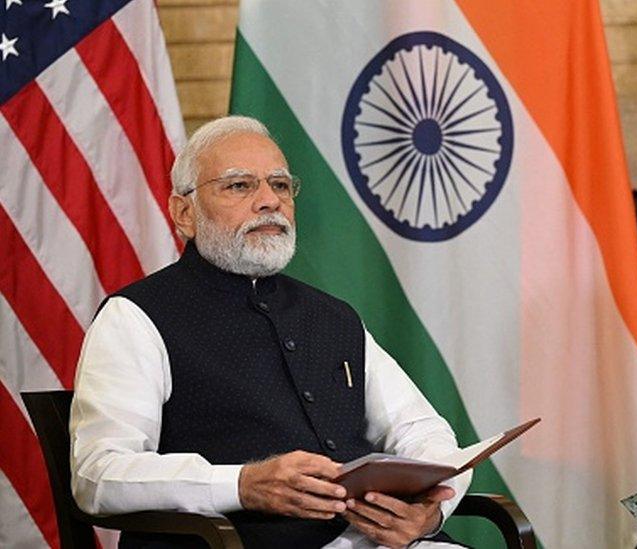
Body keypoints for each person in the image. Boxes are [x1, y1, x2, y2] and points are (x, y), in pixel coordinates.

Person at [69, 116, 471, 549]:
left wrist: (429, 511)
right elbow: (100, 473)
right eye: (239, 185)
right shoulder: (135, 317)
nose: (269, 201)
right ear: (184, 213)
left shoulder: (334, 316)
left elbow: (423, 432)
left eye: (280, 185)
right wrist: (242, 484)